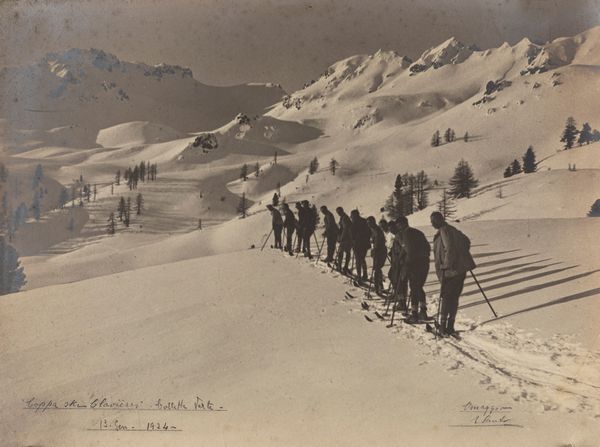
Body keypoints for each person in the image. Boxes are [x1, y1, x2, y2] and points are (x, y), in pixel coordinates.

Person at [431, 211, 476, 336]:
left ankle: (443, 326)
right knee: (454, 297)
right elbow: (466, 241)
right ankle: (450, 325)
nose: (432, 224)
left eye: (434, 221)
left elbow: (449, 248)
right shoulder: (452, 229)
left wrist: (446, 264)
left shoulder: (444, 230)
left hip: (451, 271)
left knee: (446, 297)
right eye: (432, 221)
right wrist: (461, 256)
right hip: (460, 270)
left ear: (440, 220)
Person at [396, 216, 431, 323]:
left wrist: (406, 263)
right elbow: (428, 248)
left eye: (399, 225)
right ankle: (423, 311)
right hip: (424, 263)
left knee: (414, 288)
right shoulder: (418, 232)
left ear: (403, 224)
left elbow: (410, 251)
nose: (398, 227)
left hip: (414, 264)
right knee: (419, 287)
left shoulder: (406, 234)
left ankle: (415, 314)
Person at [367, 216, 387, 295]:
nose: (368, 225)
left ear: (373, 222)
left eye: (369, 223)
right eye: (367, 223)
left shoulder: (377, 230)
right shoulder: (373, 229)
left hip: (380, 252)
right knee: (377, 269)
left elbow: (378, 243)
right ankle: (379, 286)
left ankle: (377, 288)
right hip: (377, 252)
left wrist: (374, 250)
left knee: (376, 269)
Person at [350, 209, 371, 284]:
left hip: (358, 244)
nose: (351, 217)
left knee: (358, 260)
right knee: (362, 259)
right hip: (364, 244)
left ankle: (359, 276)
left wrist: (353, 241)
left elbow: (352, 235)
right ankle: (364, 274)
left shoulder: (354, 223)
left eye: (352, 216)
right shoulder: (364, 221)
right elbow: (369, 232)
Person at [335, 207, 353, 274]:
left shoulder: (344, 218)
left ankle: (340, 267)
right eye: (338, 212)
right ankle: (345, 267)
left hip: (346, 238)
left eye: (339, 212)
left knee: (340, 252)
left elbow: (345, 229)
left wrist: (341, 238)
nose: (338, 213)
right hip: (349, 238)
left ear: (342, 211)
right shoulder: (344, 217)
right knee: (347, 252)